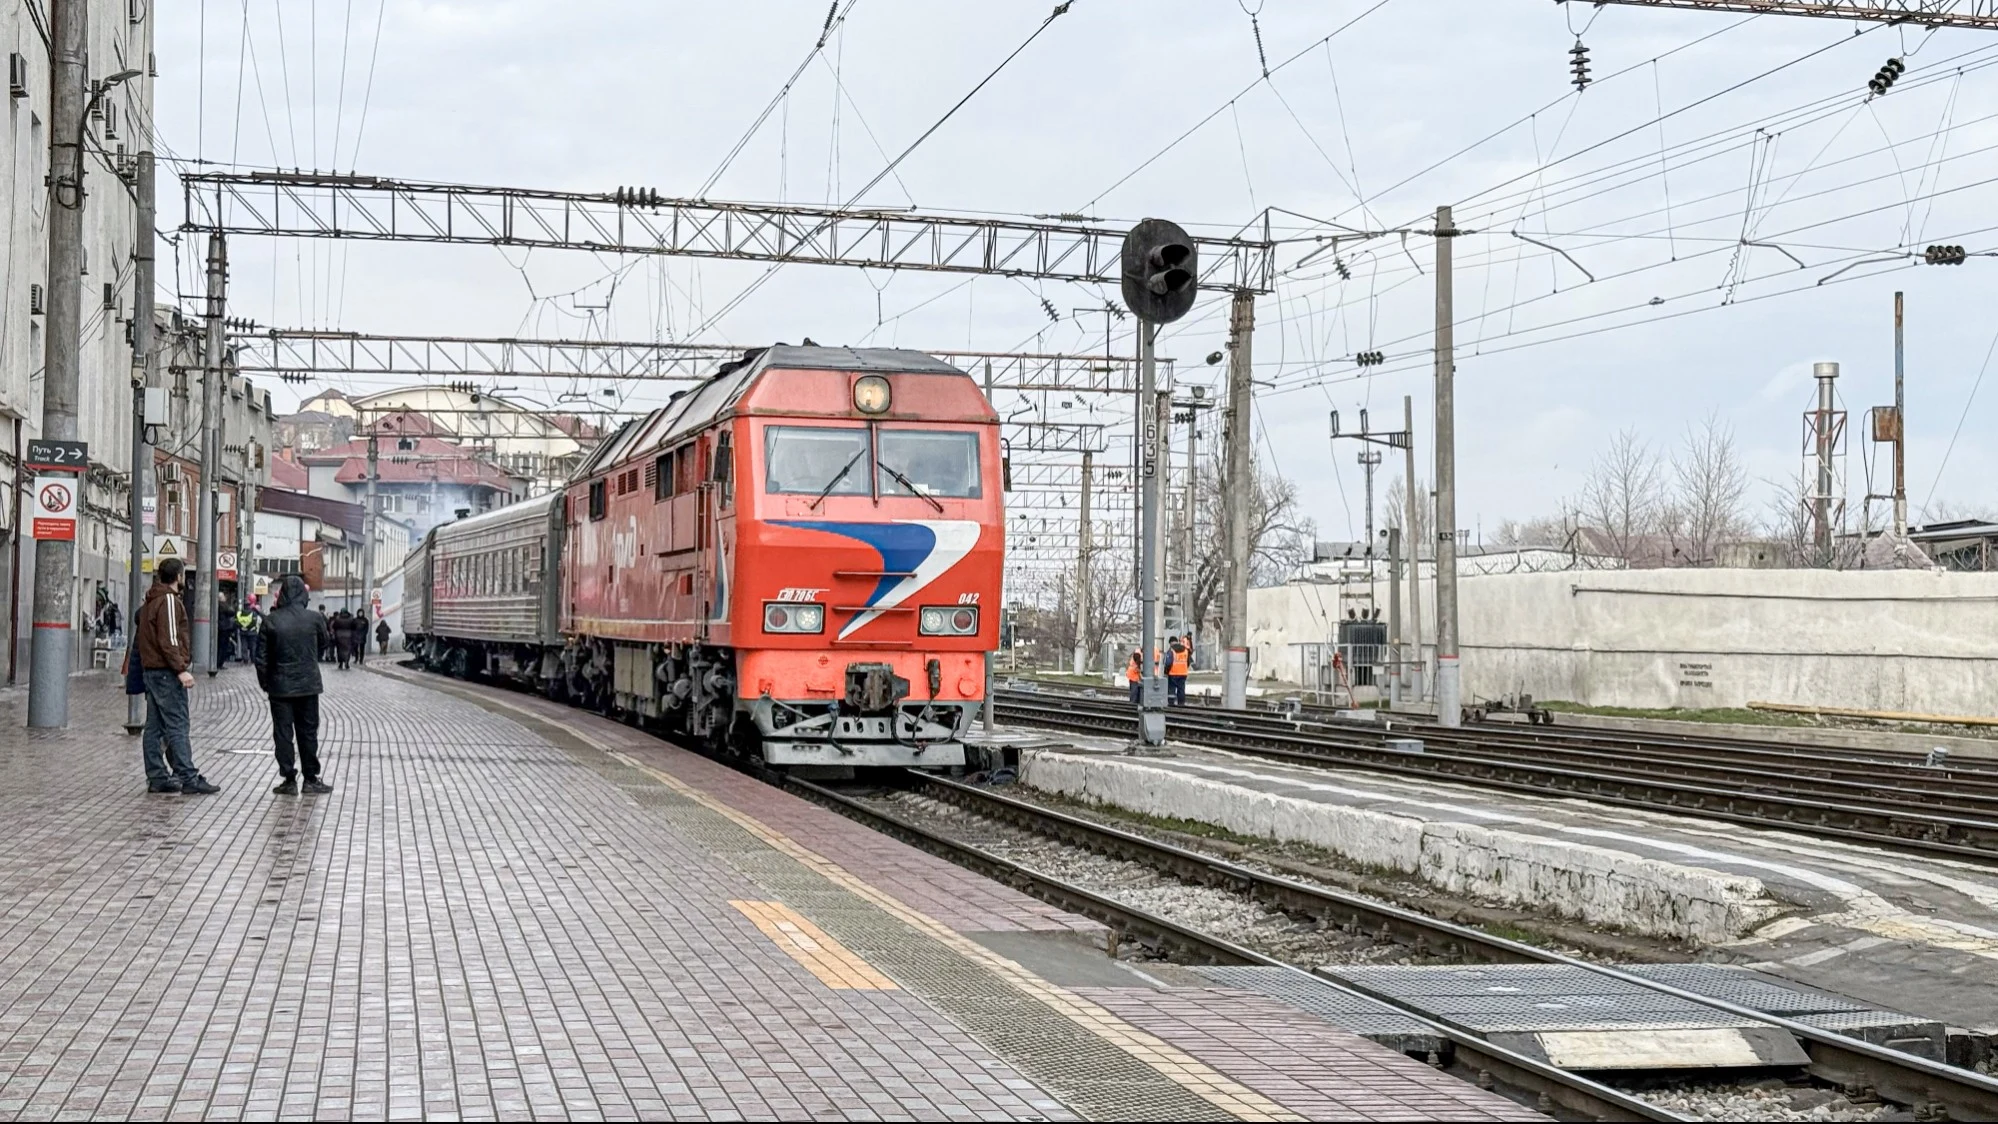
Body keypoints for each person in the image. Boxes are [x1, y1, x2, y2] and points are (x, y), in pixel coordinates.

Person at [135, 558, 220, 795]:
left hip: (152, 671)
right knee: (177, 724)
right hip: (166, 673)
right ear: (179, 576)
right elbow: (170, 639)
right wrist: (180, 669)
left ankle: (157, 776)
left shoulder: (150, 601)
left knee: (154, 727)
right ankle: (188, 776)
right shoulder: (169, 601)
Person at [258, 574, 333, 795]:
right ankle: (310, 778)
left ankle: (289, 779)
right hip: (308, 684)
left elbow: (261, 658)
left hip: (279, 687)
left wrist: (267, 683)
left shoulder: (271, 620)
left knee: (283, 733)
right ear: (304, 595)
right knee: (308, 732)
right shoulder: (315, 618)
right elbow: (324, 643)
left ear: (281, 595)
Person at [1166, 636, 1190, 707]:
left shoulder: (1171, 650)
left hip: (1173, 673)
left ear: (1170, 643)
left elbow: (1168, 663)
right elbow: (1188, 662)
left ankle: (1171, 703)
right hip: (1183, 673)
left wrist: (1166, 671)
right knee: (1181, 689)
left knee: (1171, 689)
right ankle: (1181, 703)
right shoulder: (1185, 650)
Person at [217, 597, 240, 666]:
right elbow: (231, 612)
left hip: (220, 628)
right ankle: (219, 663)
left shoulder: (217, 605)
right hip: (224, 628)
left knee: (220, 646)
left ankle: (219, 662)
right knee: (223, 646)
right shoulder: (222, 605)